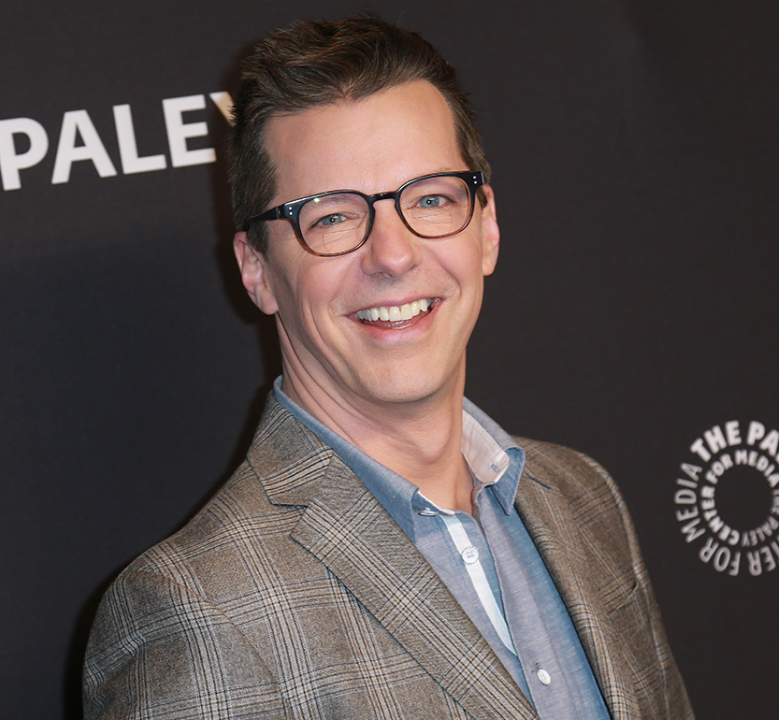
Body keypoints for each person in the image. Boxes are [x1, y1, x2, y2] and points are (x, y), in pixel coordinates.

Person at [83, 15, 693, 720]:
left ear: (486, 226)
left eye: (431, 198)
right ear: (257, 270)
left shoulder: (583, 501)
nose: (394, 255)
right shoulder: (200, 611)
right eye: (333, 217)